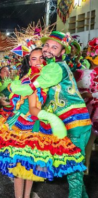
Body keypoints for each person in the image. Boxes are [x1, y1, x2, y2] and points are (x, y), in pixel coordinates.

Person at [0, 48, 86, 198]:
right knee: (20, 168)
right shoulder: (32, 81)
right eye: (34, 59)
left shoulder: (47, 78)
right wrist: (51, 118)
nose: (39, 61)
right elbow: (33, 108)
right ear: (29, 62)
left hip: (39, 125)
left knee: (30, 167)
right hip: (23, 126)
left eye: (41, 58)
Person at [10, 31, 91, 198]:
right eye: (47, 45)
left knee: (74, 170)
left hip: (74, 123)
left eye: (54, 47)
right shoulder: (48, 68)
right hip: (68, 122)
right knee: (75, 170)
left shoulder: (55, 67)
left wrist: (18, 86)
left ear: (62, 53)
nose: (48, 49)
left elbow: (32, 87)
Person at [75, 37, 98, 175]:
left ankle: (85, 166)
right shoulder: (81, 73)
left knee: (89, 139)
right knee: (87, 139)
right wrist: (86, 96)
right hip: (85, 111)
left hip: (92, 111)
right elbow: (76, 94)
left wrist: (92, 96)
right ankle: (85, 166)